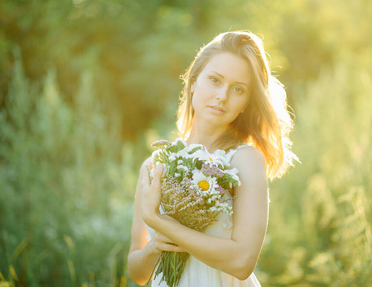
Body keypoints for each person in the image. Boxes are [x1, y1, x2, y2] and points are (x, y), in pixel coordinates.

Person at [127, 31, 298, 286]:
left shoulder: (245, 161)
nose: (222, 96)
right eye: (215, 80)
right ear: (194, 81)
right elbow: (137, 272)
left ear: (245, 103)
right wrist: (155, 247)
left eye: (237, 89)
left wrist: (159, 221)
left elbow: (242, 262)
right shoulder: (155, 164)